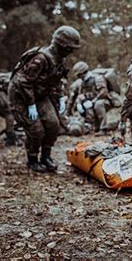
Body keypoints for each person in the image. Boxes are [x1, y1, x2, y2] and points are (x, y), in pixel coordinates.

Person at [8, 25, 80, 172]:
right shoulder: (40, 58)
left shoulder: (59, 60)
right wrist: (30, 104)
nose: (71, 51)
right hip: (21, 96)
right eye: (70, 48)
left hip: (40, 94)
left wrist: (60, 98)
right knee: (36, 130)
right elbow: (23, 82)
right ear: (61, 46)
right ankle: (32, 159)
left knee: (53, 125)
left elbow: (57, 80)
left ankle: (46, 156)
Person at [67, 61, 121, 133]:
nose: (78, 77)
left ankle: (103, 129)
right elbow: (74, 97)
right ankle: (92, 126)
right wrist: (71, 109)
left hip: (104, 101)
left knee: (98, 104)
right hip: (90, 103)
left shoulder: (97, 78)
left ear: (83, 72)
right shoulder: (81, 83)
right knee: (84, 106)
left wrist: (93, 101)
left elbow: (104, 92)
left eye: (79, 75)